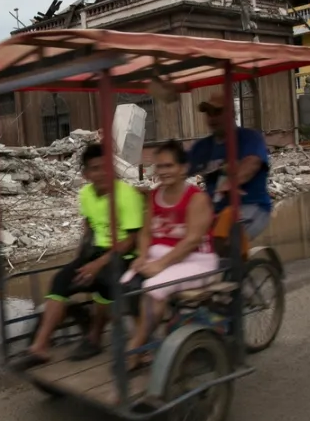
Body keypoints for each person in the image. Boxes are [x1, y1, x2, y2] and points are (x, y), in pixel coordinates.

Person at [21, 143, 145, 366]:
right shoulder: (86, 194)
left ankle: (95, 337)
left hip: (123, 257)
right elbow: (89, 224)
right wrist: (81, 257)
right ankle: (40, 346)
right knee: (60, 280)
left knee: (105, 281)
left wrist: (98, 264)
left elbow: (131, 241)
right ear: (86, 174)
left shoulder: (126, 195)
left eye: (106, 167)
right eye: (95, 169)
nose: (102, 173)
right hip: (95, 253)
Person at [120, 140, 219, 369]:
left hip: (196, 260)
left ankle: (135, 348)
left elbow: (191, 240)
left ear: (183, 168)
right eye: (160, 166)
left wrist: (160, 265)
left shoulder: (196, 198)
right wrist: (142, 256)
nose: (163, 171)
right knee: (126, 283)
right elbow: (145, 233)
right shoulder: (155, 195)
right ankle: (147, 340)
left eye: (169, 166)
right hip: (162, 258)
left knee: (154, 287)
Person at [187, 92, 272, 253]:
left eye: (217, 112)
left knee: (225, 244)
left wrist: (230, 183)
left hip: (251, 207)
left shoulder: (249, 138)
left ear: (232, 113)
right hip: (215, 211)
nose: (212, 118)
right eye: (208, 113)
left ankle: (234, 265)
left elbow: (252, 163)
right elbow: (182, 168)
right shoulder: (203, 147)